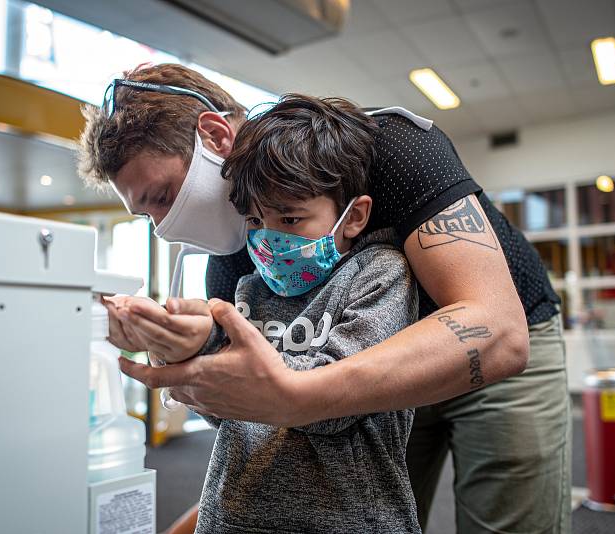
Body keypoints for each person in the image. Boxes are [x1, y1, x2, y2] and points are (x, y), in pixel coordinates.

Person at [78, 63, 570, 533]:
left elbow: (500, 333)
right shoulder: (235, 256)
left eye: (162, 196)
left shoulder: (391, 148)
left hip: (494, 345)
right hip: (353, 376)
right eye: (147, 216)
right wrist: (185, 351)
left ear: (214, 136)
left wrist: (296, 398)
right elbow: (267, 451)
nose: (164, 228)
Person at [138, 94, 421, 533]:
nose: (269, 241)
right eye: (254, 221)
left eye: (290, 220)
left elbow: (335, 403)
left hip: (345, 521)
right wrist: (185, 351)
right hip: (232, 516)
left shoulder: (380, 275)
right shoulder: (252, 284)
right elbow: (226, 411)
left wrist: (227, 358)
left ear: (353, 216)